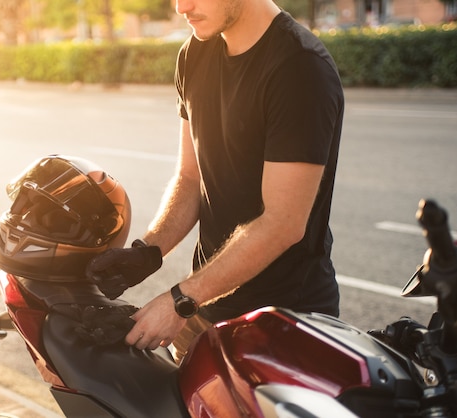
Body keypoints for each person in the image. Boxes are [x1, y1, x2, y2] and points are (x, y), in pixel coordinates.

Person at [86, 0, 344, 360]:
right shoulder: (195, 52)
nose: (181, 7)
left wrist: (180, 300)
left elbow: (283, 222)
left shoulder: (299, 68)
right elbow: (191, 177)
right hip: (207, 306)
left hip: (285, 325)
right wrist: (149, 251)